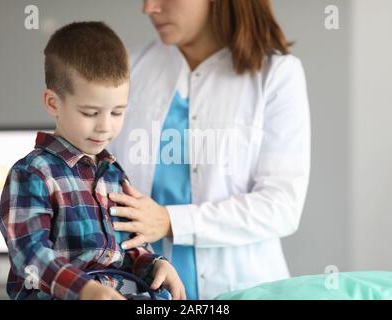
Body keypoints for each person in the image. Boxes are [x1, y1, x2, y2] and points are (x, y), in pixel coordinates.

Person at [108, 0, 311, 300]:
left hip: (246, 289)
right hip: (142, 292)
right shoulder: (129, 69)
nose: (149, 8)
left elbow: (281, 206)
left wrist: (170, 221)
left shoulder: (277, 74)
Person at [0, 21, 185, 300]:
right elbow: (30, 255)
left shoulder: (114, 175)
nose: (105, 127)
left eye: (117, 112)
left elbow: (129, 247)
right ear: (53, 103)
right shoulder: (32, 174)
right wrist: (84, 290)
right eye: (90, 113)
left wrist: (156, 265)